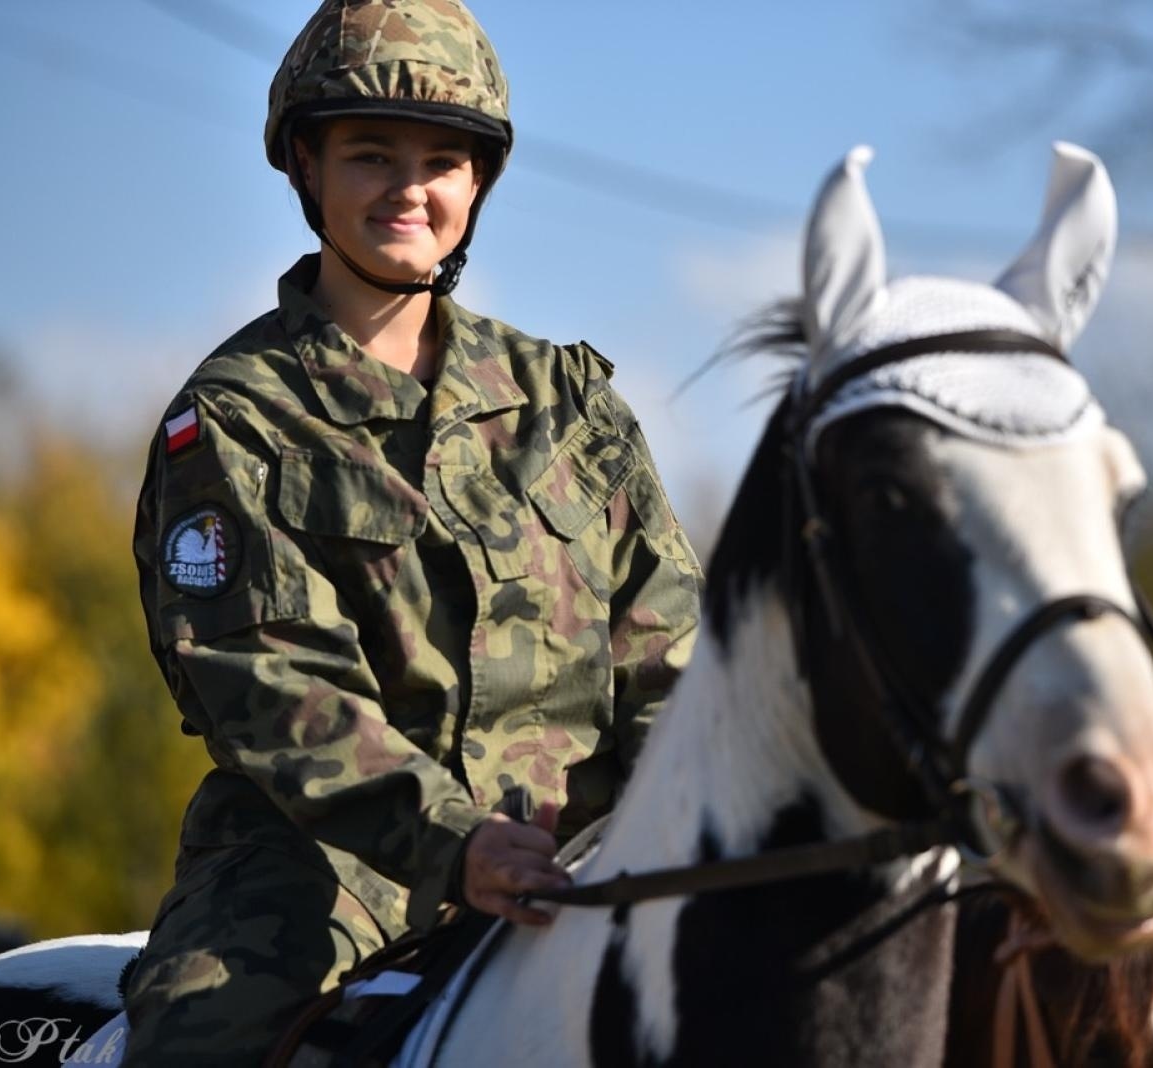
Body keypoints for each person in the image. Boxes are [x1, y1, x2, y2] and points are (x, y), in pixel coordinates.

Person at [122, 0, 703, 1061]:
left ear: (476, 183)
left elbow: (673, 651)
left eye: (442, 160)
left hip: (592, 854)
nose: (409, 188)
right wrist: (458, 843)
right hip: (324, 876)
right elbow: (270, 682)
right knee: (202, 1037)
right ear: (306, 165)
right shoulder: (236, 418)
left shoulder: (567, 403)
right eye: (370, 155)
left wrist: (687, 828)